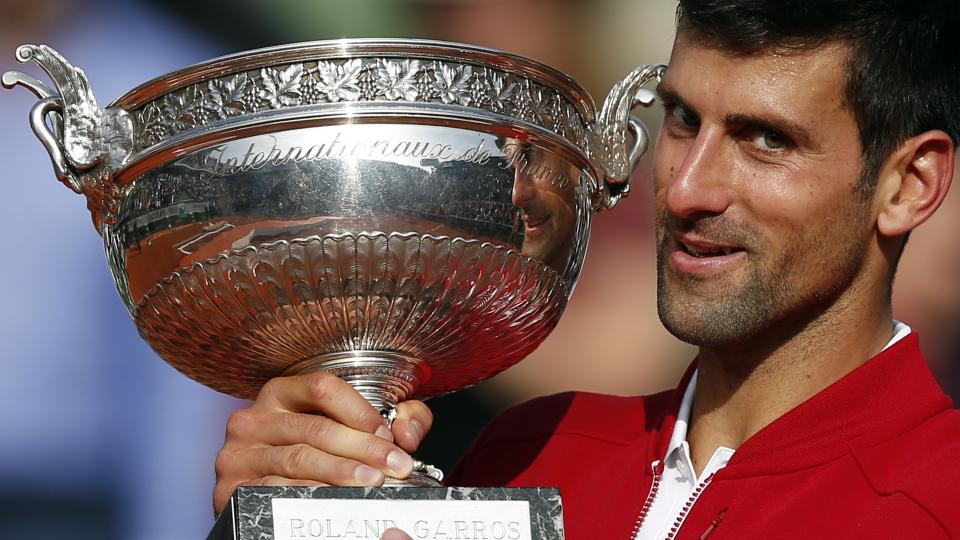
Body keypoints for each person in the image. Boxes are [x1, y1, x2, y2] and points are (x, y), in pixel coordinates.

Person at [212, 0, 960, 538]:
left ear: (909, 185)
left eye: (766, 139)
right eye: (682, 119)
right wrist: (278, 514)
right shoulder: (531, 449)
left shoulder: (941, 499)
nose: (688, 187)